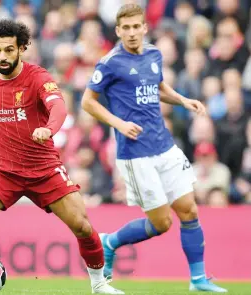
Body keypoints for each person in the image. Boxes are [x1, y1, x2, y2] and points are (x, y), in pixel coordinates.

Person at [0, 19, 123, 294]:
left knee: (82, 225)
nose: (2, 57)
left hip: (43, 169)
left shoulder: (38, 77)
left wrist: (48, 129)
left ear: (22, 48)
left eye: (9, 50)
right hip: (2, 170)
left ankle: (99, 283)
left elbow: (59, 109)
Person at [81, 4, 227, 293]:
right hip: (136, 154)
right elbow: (88, 101)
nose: (133, 32)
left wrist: (183, 101)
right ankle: (109, 242)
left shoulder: (153, 54)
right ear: (118, 30)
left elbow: (158, 88)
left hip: (164, 145)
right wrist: (118, 124)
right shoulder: (109, 63)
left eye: (138, 26)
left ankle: (198, 280)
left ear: (145, 27)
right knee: (161, 223)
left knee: (189, 210)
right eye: (127, 28)